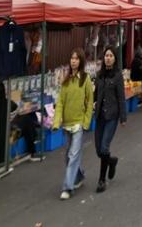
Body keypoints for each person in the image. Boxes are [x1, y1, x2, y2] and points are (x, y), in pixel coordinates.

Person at [52, 49, 94, 200]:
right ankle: (79, 176)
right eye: (72, 58)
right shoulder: (66, 80)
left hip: (79, 124)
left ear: (81, 61)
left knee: (73, 154)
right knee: (68, 156)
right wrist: (57, 122)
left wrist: (86, 122)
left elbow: (90, 102)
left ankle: (67, 187)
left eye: (76, 59)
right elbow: (60, 102)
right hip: (66, 124)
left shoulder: (85, 79)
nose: (73, 61)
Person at [93, 47, 126, 193]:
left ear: (114, 58)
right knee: (99, 151)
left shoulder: (118, 76)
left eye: (110, 55)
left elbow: (121, 97)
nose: (108, 58)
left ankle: (101, 180)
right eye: (106, 55)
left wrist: (123, 118)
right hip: (100, 116)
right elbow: (95, 94)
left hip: (112, 116)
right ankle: (111, 161)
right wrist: (93, 103)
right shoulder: (99, 75)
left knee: (104, 147)